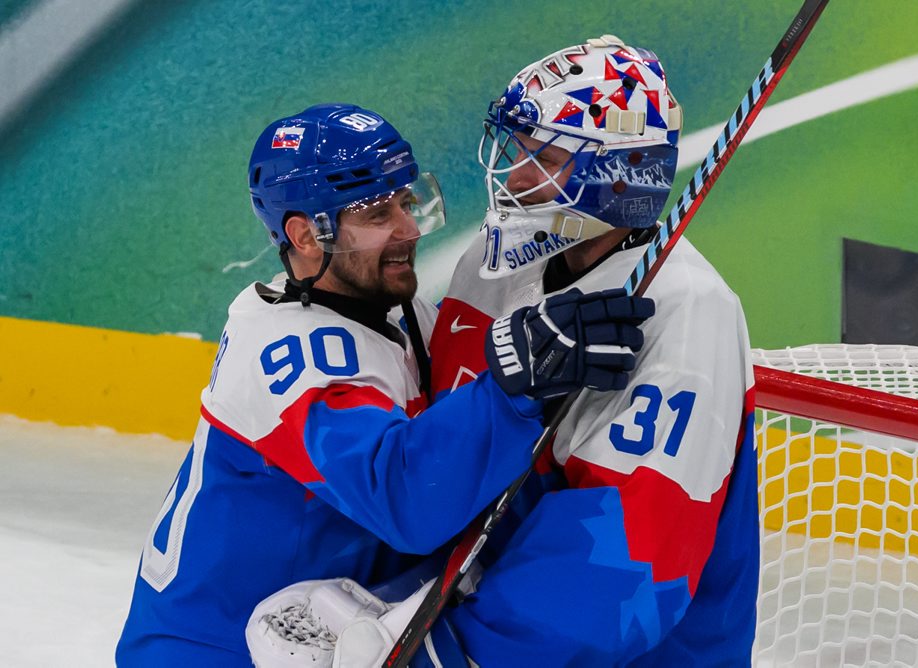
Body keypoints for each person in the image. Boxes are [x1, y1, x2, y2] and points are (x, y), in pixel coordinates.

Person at [247, 36, 759, 667]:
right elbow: (449, 470)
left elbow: (624, 564)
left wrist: (453, 653)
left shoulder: (686, 312)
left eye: (544, 158)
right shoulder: (496, 262)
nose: (515, 177)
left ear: (617, 174)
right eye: (519, 151)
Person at [116, 102, 653, 666]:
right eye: (376, 214)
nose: (408, 230)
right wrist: (515, 382)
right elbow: (406, 502)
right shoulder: (295, 359)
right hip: (214, 652)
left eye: (406, 202)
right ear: (306, 235)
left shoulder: (393, 312)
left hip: (312, 638)